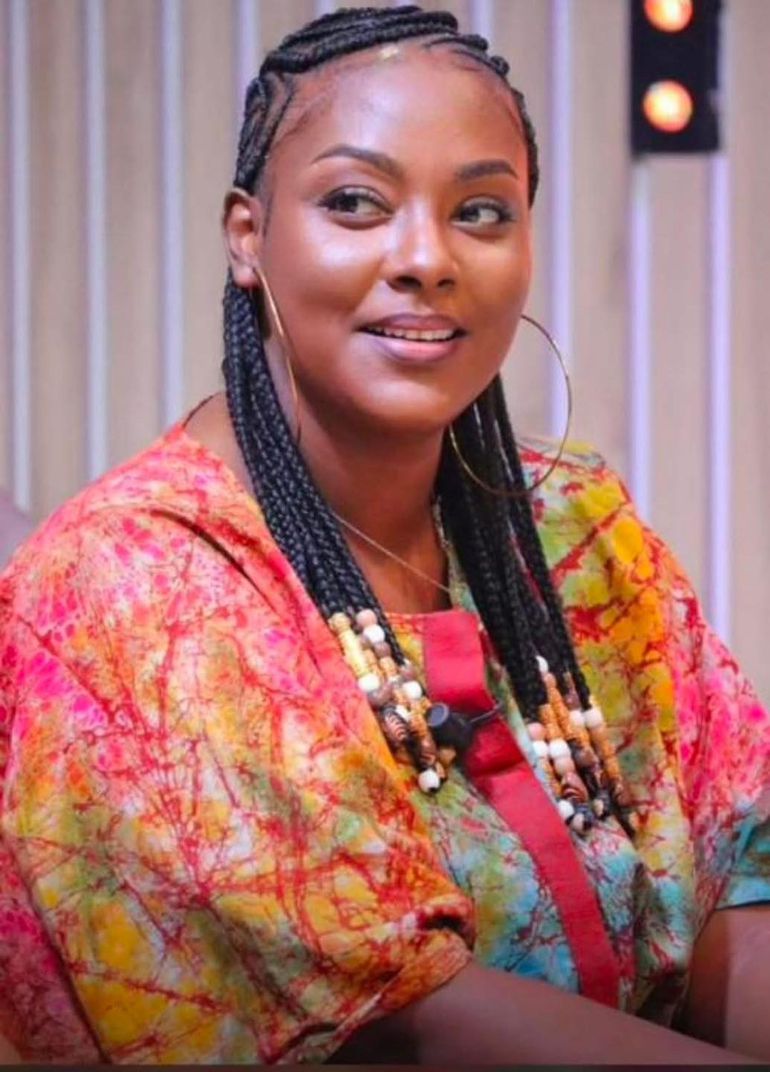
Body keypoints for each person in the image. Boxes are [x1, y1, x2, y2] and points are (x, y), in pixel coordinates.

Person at [0, 5, 768, 1065]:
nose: (425, 258)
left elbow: (735, 873)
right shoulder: (126, 587)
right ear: (247, 236)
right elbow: (403, 1023)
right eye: (355, 202)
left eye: (481, 211)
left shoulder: (575, 528)